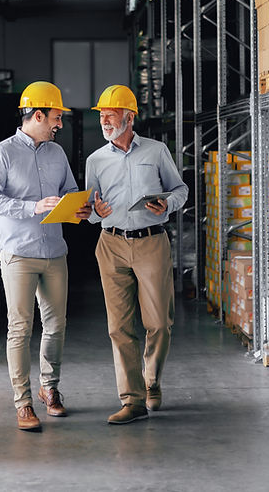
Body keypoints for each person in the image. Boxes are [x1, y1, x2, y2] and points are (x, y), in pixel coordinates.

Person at [0, 80, 91, 432]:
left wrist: (79, 209)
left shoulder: (57, 154)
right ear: (38, 115)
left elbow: (70, 193)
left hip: (55, 251)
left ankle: (49, 388)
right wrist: (32, 207)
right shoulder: (2, 153)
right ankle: (23, 402)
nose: (59, 124)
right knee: (20, 328)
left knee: (56, 325)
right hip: (19, 253)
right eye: (56, 117)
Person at [84, 85, 189, 425]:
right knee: (119, 327)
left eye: (110, 114)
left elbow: (180, 189)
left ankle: (152, 379)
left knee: (159, 321)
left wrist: (167, 204)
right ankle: (132, 399)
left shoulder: (157, 152)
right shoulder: (95, 160)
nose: (104, 120)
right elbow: (90, 211)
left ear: (129, 117)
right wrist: (95, 211)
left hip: (151, 241)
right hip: (111, 243)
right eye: (101, 115)